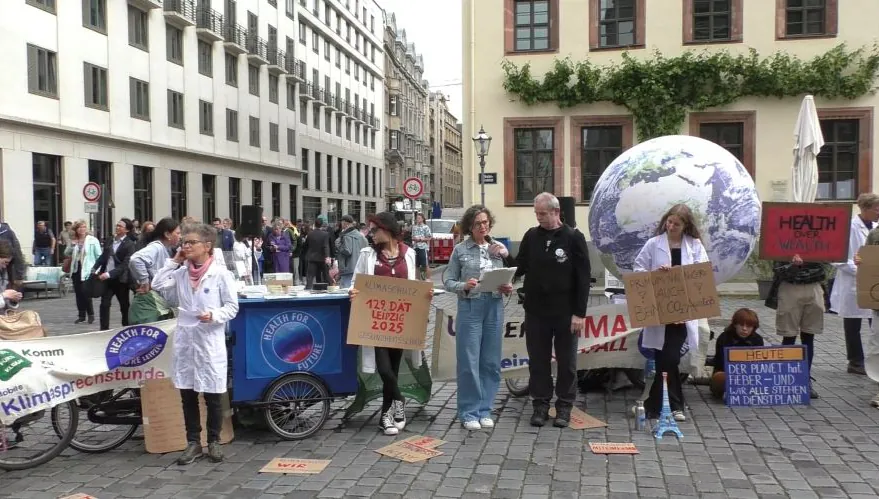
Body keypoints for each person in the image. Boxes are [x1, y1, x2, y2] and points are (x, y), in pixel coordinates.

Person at [151, 223, 239, 465]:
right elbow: (157, 285)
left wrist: (214, 315)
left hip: (209, 341)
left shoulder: (221, 274)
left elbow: (232, 307)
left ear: (207, 246)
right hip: (186, 342)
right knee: (188, 395)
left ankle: (213, 441)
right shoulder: (180, 273)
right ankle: (192, 442)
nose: (185, 246)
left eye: (191, 242)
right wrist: (174, 261)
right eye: (184, 242)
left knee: (213, 395)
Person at [348, 212, 432, 435]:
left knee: (393, 368)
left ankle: (386, 416)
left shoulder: (410, 254)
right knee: (384, 369)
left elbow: (416, 283)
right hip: (376, 321)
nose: (371, 234)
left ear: (388, 230)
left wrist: (425, 294)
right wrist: (354, 292)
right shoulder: (368, 255)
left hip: (401, 320)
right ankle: (399, 400)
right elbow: (356, 282)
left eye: (374, 230)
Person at [514, 193, 590, 428]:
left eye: (542, 214)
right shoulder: (531, 236)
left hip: (565, 312)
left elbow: (583, 277)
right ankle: (540, 404)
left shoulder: (573, 238)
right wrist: (504, 263)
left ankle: (564, 406)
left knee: (567, 362)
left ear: (556, 212)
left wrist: (579, 313)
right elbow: (521, 265)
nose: (539, 218)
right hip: (536, 311)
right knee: (538, 361)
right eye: (536, 213)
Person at [633, 203, 709, 422]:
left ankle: (654, 405)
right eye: (669, 221)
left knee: (671, 358)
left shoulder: (694, 245)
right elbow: (639, 268)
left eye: (676, 223)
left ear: (686, 225)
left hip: (683, 312)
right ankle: (673, 406)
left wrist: (680, 272)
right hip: (659, 310)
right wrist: (656, 272)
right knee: (664, 359)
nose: (671, 226)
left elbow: (702, 273)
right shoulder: (653, 244)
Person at [444, 205, 512, 430]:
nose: (483, 227)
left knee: (491, 361)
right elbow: (448, 280)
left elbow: (507, 274)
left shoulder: (498, 249)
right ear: (470, 227)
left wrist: (507, 286)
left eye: (485, 222)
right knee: (469, 361)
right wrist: (464, 285)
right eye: (478, 224)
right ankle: (469, 411)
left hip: (494, 305)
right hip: (471, 306)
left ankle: (485, 409)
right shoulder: (461, 250)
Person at [831, 193, 879, 375]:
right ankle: (855, 361)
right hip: (852, 281)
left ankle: (873, 361)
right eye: (876, 208)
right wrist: (859, 269)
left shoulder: (875, 228)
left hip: (872, 282)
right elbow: (837, 256)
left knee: (874, 323)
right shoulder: (848, 227)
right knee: (852, 325)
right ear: (864, 209)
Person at [709, 308, 765, 399]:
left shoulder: (757, 339)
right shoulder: (724, 338)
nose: (744, 329)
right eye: (741, 325)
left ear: (754, 327)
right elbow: (720, 363)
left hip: (750, 377)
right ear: (735, 324)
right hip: (728, 374)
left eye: (749, 326)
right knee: (719, 378)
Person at [93, 219, 136, 331]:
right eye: (117, 225)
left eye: (120, 226)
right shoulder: (110, 240)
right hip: (107, 279)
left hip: (120, 279)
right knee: (104, 304)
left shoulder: (130, 244)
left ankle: (126, 327)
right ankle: (103, 329)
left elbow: (125, 264)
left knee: (124, 305)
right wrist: (94, 268)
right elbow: (103, 256)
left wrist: (109, 274)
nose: (117, 228)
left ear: (126, 229)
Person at [65, 220, 102, 324]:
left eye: (84, 227)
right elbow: (66, 253)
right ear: (76, 229)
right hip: (76, 269)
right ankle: (81, 315)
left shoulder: (92, 240)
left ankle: (91, 314)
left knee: (86, 292)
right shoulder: (74, 240)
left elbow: (99, 255)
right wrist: (72, 245)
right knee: (78, 293)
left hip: (88, 269)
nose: (82, 229)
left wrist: (97, 269)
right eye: (80, 227)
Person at [335, 215, 368, 288]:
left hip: (348, 268)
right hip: (360, 268)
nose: (341, 224)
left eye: (342, 222)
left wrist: (337, 243)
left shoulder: (346, 236)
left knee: (345, 293)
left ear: (345, 223)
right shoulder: (362, 237)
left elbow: (347, 251)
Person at [304, 217, 331, 288]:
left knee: (310, 276)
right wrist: (327, 256)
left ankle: (308, 289)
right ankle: (327, 289)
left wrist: (306, 255)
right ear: (322, 224)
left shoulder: (310, 234)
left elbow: (305, 246)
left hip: (312, 258)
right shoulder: (325, 234)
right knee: (325, 276)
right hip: (322, 258)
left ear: (314, 224)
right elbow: (326, 246)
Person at [411, 213, 432, 280]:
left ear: (422, 219)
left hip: (423, 247)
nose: (418, 219)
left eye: (419, 218)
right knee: (416, 265)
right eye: (417, 218)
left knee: (425, 265)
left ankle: (427, 279)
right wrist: (414, 239)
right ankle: (417, 279)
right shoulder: (414, 227)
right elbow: (412, 237)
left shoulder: (426, 227)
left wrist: (421, 239)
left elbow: (429, 237)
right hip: (415, 247)